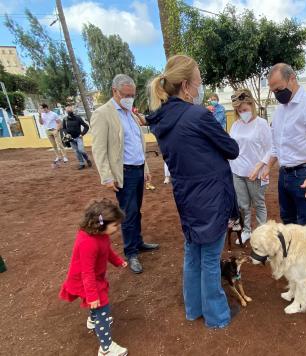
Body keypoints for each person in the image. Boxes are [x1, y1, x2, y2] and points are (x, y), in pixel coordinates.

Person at [147, 55, 240, 329]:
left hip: (186, 195)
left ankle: (194, 309)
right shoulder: (198, 115)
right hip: (211, 196)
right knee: (210, 257)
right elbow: (231, 149)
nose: (200, 88)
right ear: (186, 86)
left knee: (193, 253)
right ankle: (217, 316)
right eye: (198, 83)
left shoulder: (160, 119)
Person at [91, 74, 159, 274]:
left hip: (138, 169)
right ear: (115, 92)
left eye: (132, 95)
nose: (130, 98)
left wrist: (145, 169)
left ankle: (137, 243)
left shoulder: (130, 113)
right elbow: (99, 149)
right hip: (124, 173)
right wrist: (106, 176)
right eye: (126, 94)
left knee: (136, 210)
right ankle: (131, 252)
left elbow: (137, 144)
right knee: (128, 214)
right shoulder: (103, 114)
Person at [263, 63, 306, 227]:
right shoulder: (280, 110)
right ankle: (291, 254)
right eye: (273, 91)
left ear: (292, 79)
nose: (277, 94)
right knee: (287, 222)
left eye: (279, 89)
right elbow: (277, 144)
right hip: (284, 175)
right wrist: (268, 165)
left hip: (304, 174)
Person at [59, 199, 128, 356]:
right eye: (115, 225)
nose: (118, 228)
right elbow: (87, 271)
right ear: (101, 224)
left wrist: (118, 262)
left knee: (97, 307)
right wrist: (92, 294)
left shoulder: (101, 235)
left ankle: (92, 321)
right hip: (86, 281)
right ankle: (106, 348)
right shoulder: (88, 243)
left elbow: (107, 251)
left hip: (93, 278)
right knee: (101, 307)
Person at [229, 88, 272, 244]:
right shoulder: (235, 125)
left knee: (258, 203)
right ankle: (247, 230)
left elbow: (270, 148)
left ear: (252, 105)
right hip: (237, 171)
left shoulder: (262, 124)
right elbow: (231, 147)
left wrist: (260, 166)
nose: (242, 112)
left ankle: (262, 235)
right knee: (243, 205)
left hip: (255, 172)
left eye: (245, 109)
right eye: (239, 111)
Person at [63, 104, 92, 170]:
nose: (69, 111)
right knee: (76, 152)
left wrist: (82, 134)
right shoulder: (65, 119)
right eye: (67, 110)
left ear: (72, 110)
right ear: (66, 111)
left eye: (70, 109)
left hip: (78, 138)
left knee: (81, 150)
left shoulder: (78, 118)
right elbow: (64, 128)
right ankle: (82, 164)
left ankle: (87, 159)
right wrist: (67, 134)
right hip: (71, 139)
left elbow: (86, 126)